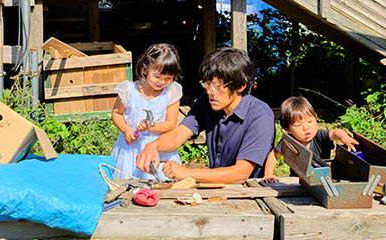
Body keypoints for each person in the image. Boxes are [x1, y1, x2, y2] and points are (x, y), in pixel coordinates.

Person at [136, 47, 275, 184]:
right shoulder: (207, 102)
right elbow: (178, 135)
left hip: (251, 193)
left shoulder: (260, 116)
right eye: (207, 85)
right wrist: (153, 146)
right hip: (216, 188)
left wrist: (186, 172)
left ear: (241, 86)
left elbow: (240, 174)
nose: (210, 92)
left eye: (217, 86)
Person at [111, 43, 183, 180]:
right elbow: (116, 113)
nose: (162, 82)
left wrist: (151, 126)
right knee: (128, 186)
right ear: (145, 69)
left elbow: (170, 123)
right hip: (130, 150)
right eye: (157, 76)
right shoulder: (128, 90)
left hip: (159, 150)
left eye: (168, 78)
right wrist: (126, 129)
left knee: (160, 187)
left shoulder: (172, 92)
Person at [262, 96, 359, 183]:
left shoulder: (320, 136)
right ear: (288, 129)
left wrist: (345, 138)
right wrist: (268, 173)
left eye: (310, 121)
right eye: (298, 125)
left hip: (323, 181)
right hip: (298, 182)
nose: (306, 128)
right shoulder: (289, 141)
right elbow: (274, 155)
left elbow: (335, 132)